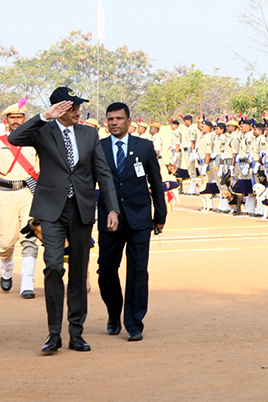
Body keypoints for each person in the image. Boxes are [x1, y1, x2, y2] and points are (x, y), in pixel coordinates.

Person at [9, 86, 120, 355]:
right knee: (54, 268)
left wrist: (112, 209)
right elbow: (14, 137)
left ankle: (76, 333)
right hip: (50, 210)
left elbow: (103, 173)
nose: (77, 112)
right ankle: (53, 334)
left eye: (77, 107)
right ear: (59, 109)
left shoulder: (88, 133)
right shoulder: (42, 131)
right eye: (72, 108)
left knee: (79, 273)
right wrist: (43, 116)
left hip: (81, 209)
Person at [96, 103, 167, 341]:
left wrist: (160, 215)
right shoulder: (98, 147)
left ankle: (134, 322)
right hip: (109, 219)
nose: (114, 122)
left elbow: (156, 182)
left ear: (129, 121)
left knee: (137, 271)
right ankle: (114, 314)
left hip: (139, 219)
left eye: (119, 118)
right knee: (106, 270)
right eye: (110, 119)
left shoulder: (144, 147)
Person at [0, 101, 41, 298]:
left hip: (29, 192)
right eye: (12, 118)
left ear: (25, 120)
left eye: (19, 117)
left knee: (30, 237)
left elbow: (41, 171)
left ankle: (27, 283)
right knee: (7, 241)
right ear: (6, 121)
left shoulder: (35, 140)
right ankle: (7, 266)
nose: (16, 120)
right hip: (5, 194)